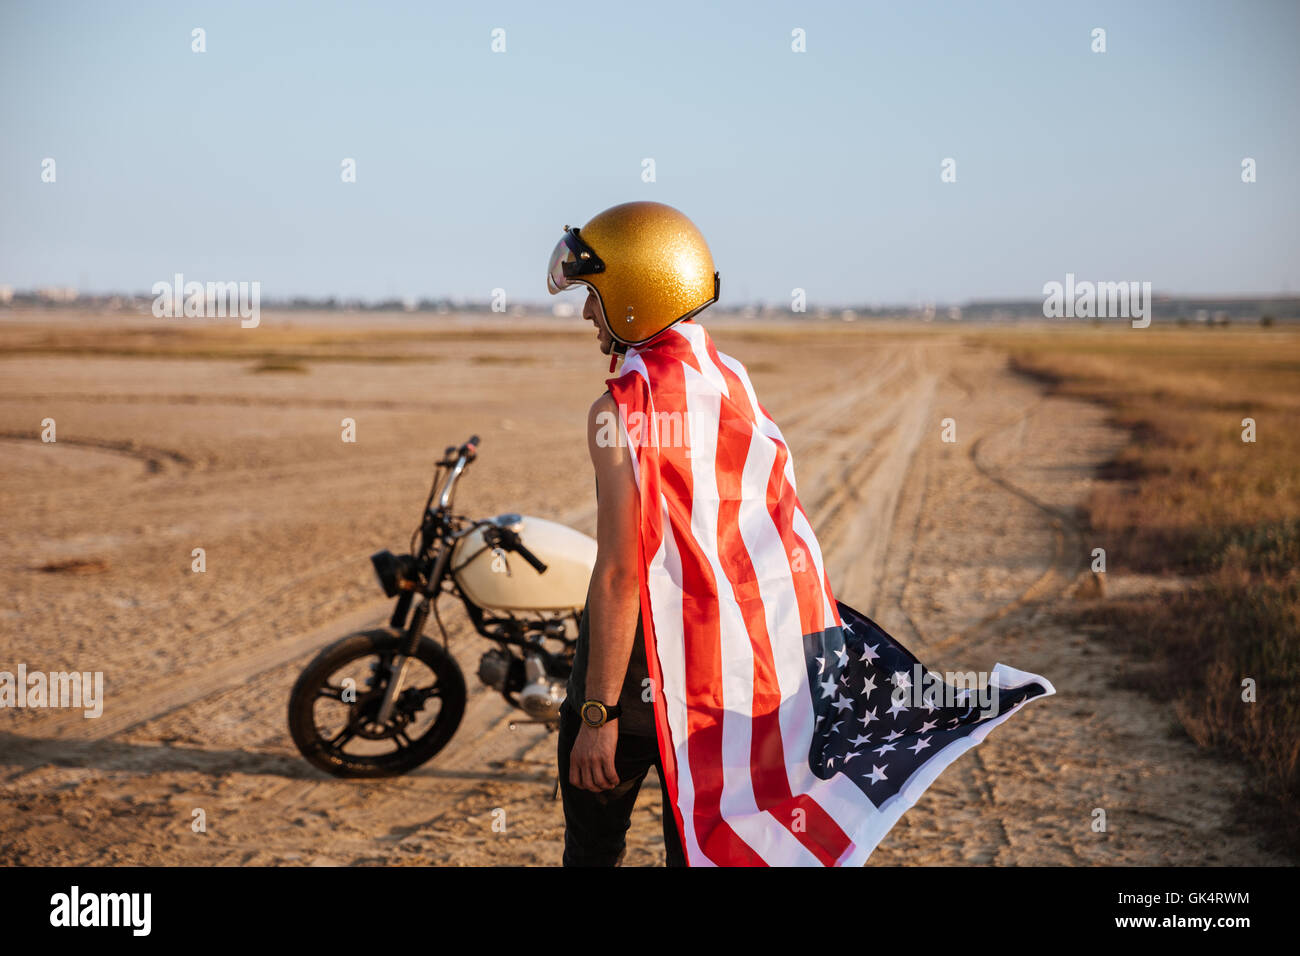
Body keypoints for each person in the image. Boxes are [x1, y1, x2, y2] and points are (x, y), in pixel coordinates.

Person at [547, 201, 718, 866]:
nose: (588, 313)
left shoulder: (619, 410)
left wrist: (597, 716)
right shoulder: (732, 391)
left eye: (595, 296)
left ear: (635, 296)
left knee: (592, 852)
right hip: (717, 686)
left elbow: (622, 574)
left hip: (634, 684)